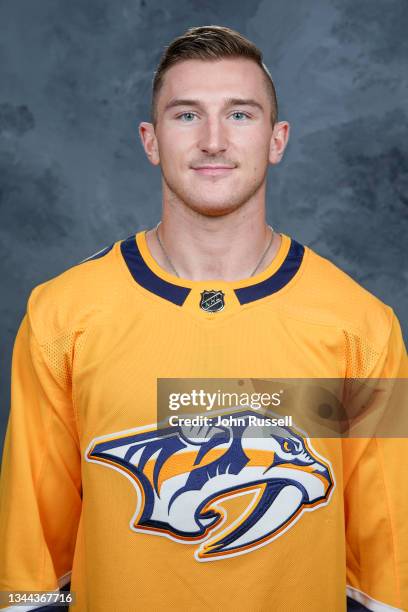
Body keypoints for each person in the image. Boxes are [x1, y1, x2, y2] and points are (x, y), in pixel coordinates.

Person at [0, 25, 407, 612]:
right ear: (150, 139)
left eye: (240, 115)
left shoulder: (365, 327)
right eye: (186, 115)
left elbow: (387, 563)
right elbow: (29, 555)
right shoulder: (60, 315)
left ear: (277, 139)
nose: (214, 140)